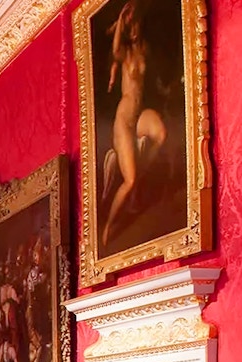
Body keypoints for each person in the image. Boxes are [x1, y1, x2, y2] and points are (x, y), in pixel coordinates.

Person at [100, 0, 167, 246]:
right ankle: (108, 226)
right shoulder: (125, 53)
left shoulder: (144, 50)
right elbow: (116, 46)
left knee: (161, 135)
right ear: (128, 30)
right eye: (132, 26)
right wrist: (119, 20)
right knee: (129, 182)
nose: (135, 29)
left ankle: (141, 174)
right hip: (125, 121)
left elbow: (155, 74)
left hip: (139, 116)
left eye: (137, 24)